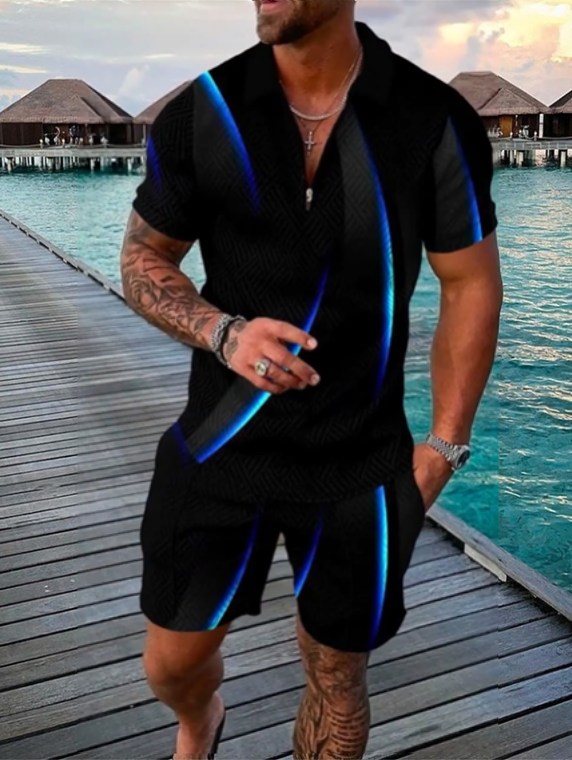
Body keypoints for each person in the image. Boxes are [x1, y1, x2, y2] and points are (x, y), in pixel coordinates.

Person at [120, 0, 503, 757]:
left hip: (358, 459)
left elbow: (469, 283)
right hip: (221, 444)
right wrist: (223, 332)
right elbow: (143, 258)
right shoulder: (203, 112)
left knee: (337, 676)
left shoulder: (431, 118)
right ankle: (201, 720)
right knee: (171, 664)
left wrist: (445, 446)